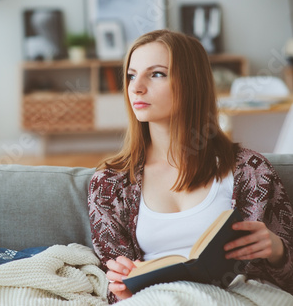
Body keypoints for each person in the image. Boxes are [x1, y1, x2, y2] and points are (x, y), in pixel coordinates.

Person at [87, 29, 293, 303]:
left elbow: (288, 279)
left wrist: (277, 251)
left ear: (191, 82)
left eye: (157, 73)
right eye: (131, 75)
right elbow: (114, 286)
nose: (136, 87)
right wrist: (122, 290)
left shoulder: (251, 171)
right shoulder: (109, 184)